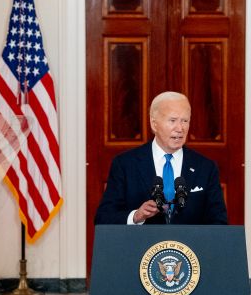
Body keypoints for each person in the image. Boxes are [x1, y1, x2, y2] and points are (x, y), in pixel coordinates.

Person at [94, 91, 228, 225]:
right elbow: (104, 218)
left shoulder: (206, 168)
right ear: (154, 124)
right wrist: (136, 216)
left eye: (185, 121)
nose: (180, 128)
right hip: (141, 244)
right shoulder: (125, 164)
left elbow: (219, 223)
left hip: (190, 246)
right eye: (173, 120)